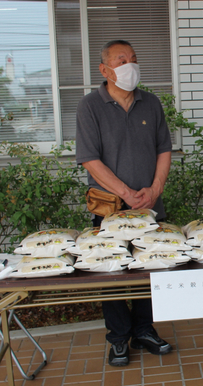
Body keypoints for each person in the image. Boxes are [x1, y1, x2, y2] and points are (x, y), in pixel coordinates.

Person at [75, 40, 172, 367]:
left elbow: (164, 149)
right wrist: (127, 194)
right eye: (121, 61)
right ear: (104, 70)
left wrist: (154, 189)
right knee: (111, 271)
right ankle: (118, 338)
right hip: (109, 208)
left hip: (150, 206)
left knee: (150, 268)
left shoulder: (151, 103)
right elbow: (90, 160)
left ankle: (144, 329)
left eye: (133, 59)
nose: (130, 66)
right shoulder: (90, 106)